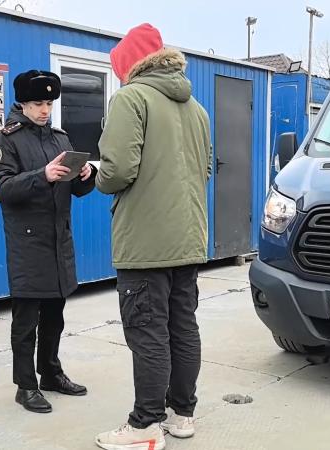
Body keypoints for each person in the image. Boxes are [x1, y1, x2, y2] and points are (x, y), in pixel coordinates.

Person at [94, 24, 212, 450]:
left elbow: (118, 171)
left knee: (146, 331)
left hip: (145, 242)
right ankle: (182, 415)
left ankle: (145, 424)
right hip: (188, 238)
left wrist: (98, 175)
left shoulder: (131, 98)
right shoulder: (196, 109)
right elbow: (206, 170)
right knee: (182, 327)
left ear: (129, 65)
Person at [0, 69, 97, 414]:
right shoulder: (5, 139)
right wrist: (42, 175)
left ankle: (50, 372)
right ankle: (25, 385)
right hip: (28, 243)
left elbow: (76, 190)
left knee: (55, 316)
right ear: (22, 101)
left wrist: (86, 175)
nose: (45, 110)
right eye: (38, 103)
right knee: (26, 322)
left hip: (58, 241)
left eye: (49, 103)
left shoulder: (60, 139)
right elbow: (1, 188)